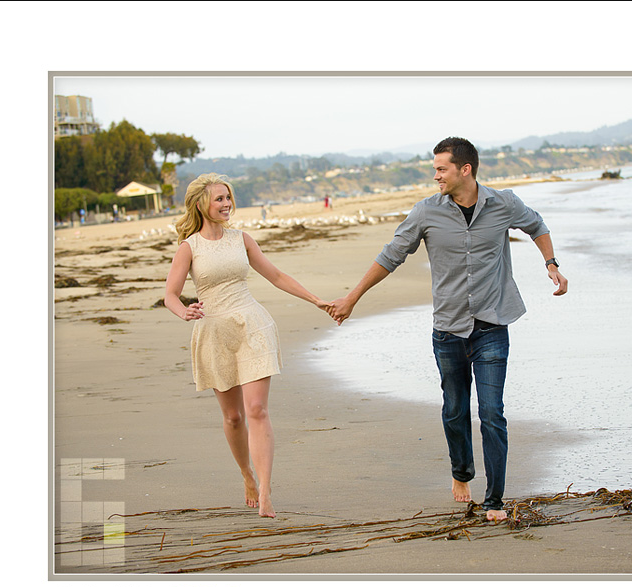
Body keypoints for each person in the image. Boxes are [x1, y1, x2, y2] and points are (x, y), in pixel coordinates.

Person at [327, 137, 568, 522]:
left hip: (492, 325)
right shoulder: (426, 212)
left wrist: (551, 263)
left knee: (492, 413)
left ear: (465, 170)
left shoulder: (503, 203)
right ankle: (461, 472)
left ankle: (494, 501)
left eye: (441, 168)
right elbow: (392, 255)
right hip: (449, 330)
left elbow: (536, 224)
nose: (435, 175)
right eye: (436, 169)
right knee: (455, 411)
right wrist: (352, 297)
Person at [164, 173, 330, 517]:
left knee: (257, 410)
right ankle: (247, 476)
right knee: (234, 416)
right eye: (219, 199)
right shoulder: (189, 247)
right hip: (213, 332)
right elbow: (169, 294)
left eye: (228, 197)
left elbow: (276, 275)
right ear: (200, 204)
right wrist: (183, 311)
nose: (226, 204)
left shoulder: (242, 239)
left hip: (252, 325)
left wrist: (316, 300)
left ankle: (267, 492)